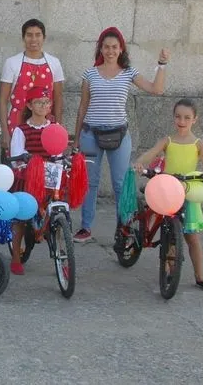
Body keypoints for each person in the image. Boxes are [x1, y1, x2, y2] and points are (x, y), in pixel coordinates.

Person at [73, 27, 169, 243]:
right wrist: (77, 138)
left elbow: (156, 89)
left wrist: (162, 64)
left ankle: (124, 228)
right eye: (106, 47)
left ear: (121, 49)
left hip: (119, 135)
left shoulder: (129, 72)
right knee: (90, 182)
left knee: (120, 183)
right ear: (100, 48)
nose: (110, 51)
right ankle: (86, 227)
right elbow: (82, 107)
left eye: (114, 47)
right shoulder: (89, 74)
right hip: (91, 134)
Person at [132, 99, 203, 292]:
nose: (182, 120)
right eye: (178, 116)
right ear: (174, 118)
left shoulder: (199, 144)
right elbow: (150, 154)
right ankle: (170, 270)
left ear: (194, 120)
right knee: (168, 233)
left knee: (192, 237)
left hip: (187, 192)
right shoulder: (167, 141)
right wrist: (140, 162)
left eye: (187, 117)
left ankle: (200, 277)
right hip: (167, 190)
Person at [7, 86, 54, 275]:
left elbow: (57, 151)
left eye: (46, 102)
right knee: (20, 218)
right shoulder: (22, 130)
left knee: (57, 210)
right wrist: (27, 160)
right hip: (27, 179)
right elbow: (17, 157)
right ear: (29, 105)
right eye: (38, 102)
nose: (43, 106)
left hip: (48, 177)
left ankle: (61, 252)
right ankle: (16, 257)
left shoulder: (53, 128)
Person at [0, 19, 65, 151]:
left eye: (38, 34)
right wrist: (5, 133)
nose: (33, 39)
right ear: (23, 38)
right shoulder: (11, 63)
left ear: (44, 37)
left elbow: (58, 98)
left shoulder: (54, 63)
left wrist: (58, 127)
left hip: (46, 126)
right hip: (17, 125)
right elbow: (2, 101)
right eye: (29, 35)